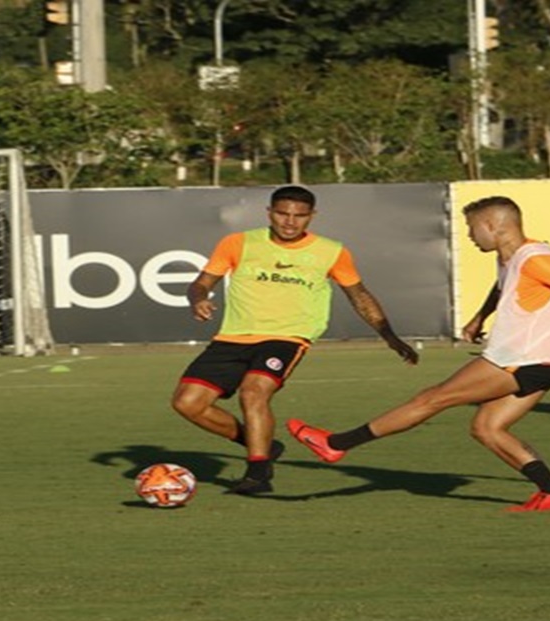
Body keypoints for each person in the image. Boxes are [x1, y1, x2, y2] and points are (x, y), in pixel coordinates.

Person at [287, 196, 550, 511]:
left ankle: (337, 443)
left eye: (471, 227)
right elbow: (503, 289)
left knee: (433, 397)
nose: (469, 235)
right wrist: (481, 316)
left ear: (494, 226)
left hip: (531, 354)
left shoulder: (538, 257)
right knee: (486, 428)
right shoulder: (511, 257)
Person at [172, 185, 419, 495]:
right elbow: (201, 283)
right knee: (187, 403)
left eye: (299, 216)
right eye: (282, 214)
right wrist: (197, 299)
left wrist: (388, 334)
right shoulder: (238, 243)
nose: (290, 222)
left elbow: (359, 295)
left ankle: (258, 474)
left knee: (253, 392)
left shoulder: (331, 251)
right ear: (269, 213)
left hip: (287, 337)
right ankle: (262, 443)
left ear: (311, 216)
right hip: (232, 337)